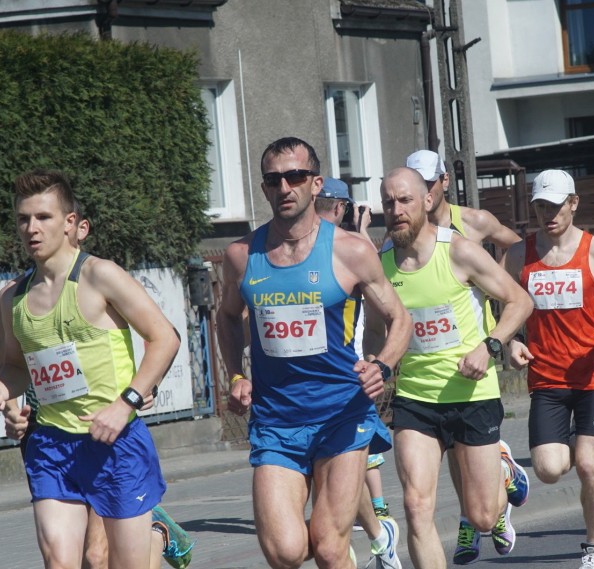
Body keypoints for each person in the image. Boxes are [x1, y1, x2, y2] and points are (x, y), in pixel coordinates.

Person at [215, 137, 412, 569]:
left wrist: (382, 365)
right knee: (284, 551)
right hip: (275, 419)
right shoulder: (241, 256)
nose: (285, 187)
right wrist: (235, 374)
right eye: (273, 179)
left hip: (341, 413)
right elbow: (226, 317)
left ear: (315, 183)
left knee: (326, 544)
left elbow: (401, 320)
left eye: (296, 176)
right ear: (264, 188)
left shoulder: (350, 250)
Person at [0, 169, 181, 568]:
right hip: (51, 444)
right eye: (23, 219)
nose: (31, 228)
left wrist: (126, 404)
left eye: (43, 217)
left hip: (115, 442)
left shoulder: (100, 276)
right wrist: (3, 391)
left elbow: (165, 338)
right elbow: (15, 366)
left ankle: (156, 536)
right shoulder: (11, 299)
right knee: (60, 561)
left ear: (70, 222)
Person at [367, 167, 533, 569]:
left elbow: (519, 301)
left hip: (472, 394)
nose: (396, 210)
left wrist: (490, 345)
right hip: (415, 399)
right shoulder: (380, 265)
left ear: (426, 201)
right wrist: (375, 367)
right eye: (388, 203)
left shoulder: (458, 250)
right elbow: (376, 331)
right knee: (415, 505)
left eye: (405, 200)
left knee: (480, 516)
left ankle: (503, 468)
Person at [503, 169, 594, 569]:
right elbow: (499, 300)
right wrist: (511, 340)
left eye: (556, 205)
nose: (549, 214)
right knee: (548, 469)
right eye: (541, 206)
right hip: (546, 377)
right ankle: (510, 469)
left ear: (573, 203)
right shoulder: (517, 254)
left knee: (588, 463)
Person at [406, 149, 522, 563]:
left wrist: (495, 289)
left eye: (429, 183)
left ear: (443, 183)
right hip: (427, 383)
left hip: (480, 346)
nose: (424, 192)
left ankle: (496, 479)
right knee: (429, 491)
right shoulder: (400, 240)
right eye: (414, 186)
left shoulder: (472, 223)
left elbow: (512, 244)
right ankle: (473, 515)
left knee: (483, 505)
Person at [316, 176, 402, 569]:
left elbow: (392, 313)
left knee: (348, 467)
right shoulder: (295, 250)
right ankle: (377, 534)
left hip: (350, 375)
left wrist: (378, 361)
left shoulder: (352, 249)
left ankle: (370, 533)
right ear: (341, 207)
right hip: (310, 383)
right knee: (332, 473)